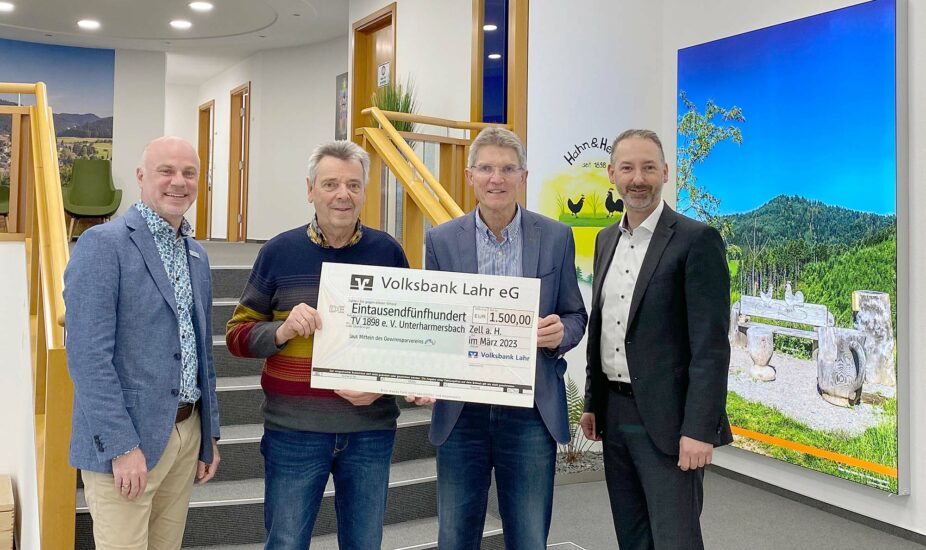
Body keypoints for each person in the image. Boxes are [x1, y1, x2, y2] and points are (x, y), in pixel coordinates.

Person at [225, 140, 409, 549]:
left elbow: (406, 343)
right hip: (294, 431)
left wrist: (381, 384)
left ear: (364, 192)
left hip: (369, 431)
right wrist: (281, 331)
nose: (343, 195)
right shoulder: (278, 252)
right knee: (286, 542)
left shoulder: (388, 253)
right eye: (330, 184)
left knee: (365, 543)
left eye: (353, 185)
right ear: (310, 190)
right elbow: (236, 335)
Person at [421, 127, 587, 549]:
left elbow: (575, 315)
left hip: (530, 410)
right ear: (470, 176)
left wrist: (560, 334)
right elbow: (433, 322)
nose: (497, 178)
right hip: (462, 411)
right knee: (455, 537)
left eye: (508, 169)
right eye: (486, 169)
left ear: (523, 177)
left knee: (529, 537)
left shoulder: (556, 236)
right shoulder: (440, 240)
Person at [64, 136, 222, 550]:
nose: (178, 182)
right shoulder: (103, 245)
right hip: (129, 442)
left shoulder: (196, 254)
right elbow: (87, 358)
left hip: (186, 434)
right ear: (140, 177)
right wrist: (122, 447)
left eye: (189, 173)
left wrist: (208, 434)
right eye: (166, 171)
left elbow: (201, 352)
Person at [580, 129, 732, 550]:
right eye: (627, 168)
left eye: (648, 167)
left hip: (670, 423)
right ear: (611, 174)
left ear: (665, 172)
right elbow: (605, 327)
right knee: (632, 536)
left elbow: (711, 347)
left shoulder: (696, 240)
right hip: (615, 416)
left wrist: (699, 429)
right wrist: (592, 401)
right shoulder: (605, 240)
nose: (638, 178)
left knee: (675, 539)